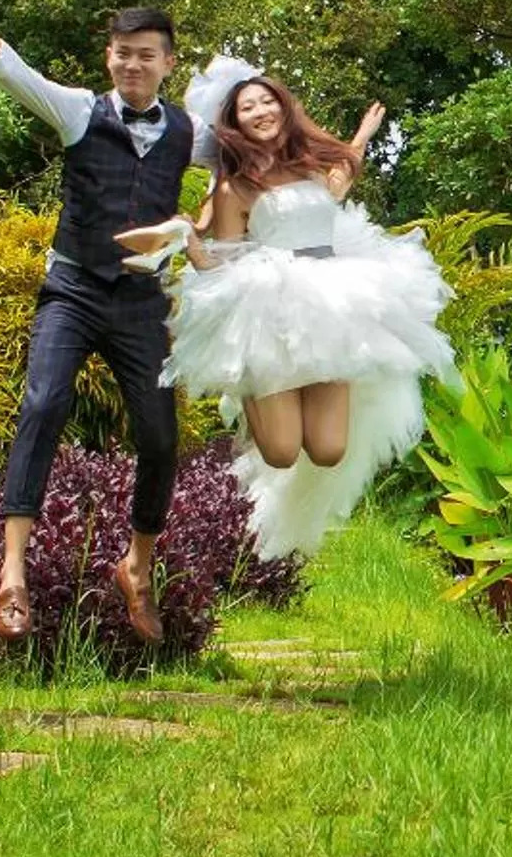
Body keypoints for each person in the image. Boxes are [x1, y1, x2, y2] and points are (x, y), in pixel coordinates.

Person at [0, 0, 204, 643]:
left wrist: (339, 157)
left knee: (159, 435)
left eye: (145, 56)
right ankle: (12, 576)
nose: (132, 65)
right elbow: (5, 65)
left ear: (167, 63)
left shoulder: (188, 133)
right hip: (72, 288)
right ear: (109, 57)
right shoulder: (77, 111)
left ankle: (138, 567)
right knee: (42, 403)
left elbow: (257, 152)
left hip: (140, 301)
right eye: (122, 54)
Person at [118, 60, 457, 565]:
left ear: (283, 106)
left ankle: (303, 400)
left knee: (326, 450)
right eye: (247, 107)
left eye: (266, 101)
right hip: (271, 311)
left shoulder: (315, 168)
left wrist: (363, 134)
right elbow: (223, 263)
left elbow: (343, 178)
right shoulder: (235, 190)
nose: (260, 111)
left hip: (334, 307)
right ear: (235, 124)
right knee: (279, 451)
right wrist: (190, 240)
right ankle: (259, 394)